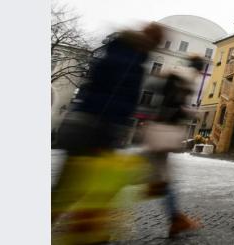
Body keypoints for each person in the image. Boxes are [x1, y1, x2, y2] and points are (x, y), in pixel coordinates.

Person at [52, 23, 164, 241]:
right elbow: (118, 96)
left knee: (71, 185)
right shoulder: (133, 60)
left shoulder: (113, 50)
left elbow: (92, 85)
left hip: (82, 120)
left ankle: (87, 229)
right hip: (98, 126)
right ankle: (87, 231)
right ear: (150, 42)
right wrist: (109, 127)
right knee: (95, 185)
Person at [143, 55, 205, 238]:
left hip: (159, 131)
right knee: (160, 178)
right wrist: (191, 112)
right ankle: (176, 220)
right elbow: (173, 106)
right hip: (163, 132)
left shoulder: (178, 76)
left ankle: (176, 220)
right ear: (198, 69)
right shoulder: (184, 80)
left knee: (161, 178)